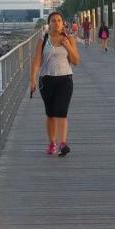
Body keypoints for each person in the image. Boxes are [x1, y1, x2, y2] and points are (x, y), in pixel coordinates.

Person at [29, 11, 80, 157]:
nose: (56, 23)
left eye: (58, 20)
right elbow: (37, 60)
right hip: (47, 79)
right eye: (53, 20)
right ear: (49, 23)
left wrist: (68, 46)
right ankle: (52, 143)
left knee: (62, 112)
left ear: (62, 23)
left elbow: (76, 61)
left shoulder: (69, 39)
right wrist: (32, 79)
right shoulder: (43, 39)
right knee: (50, 113)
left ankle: (63, 143)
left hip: (65, 79)